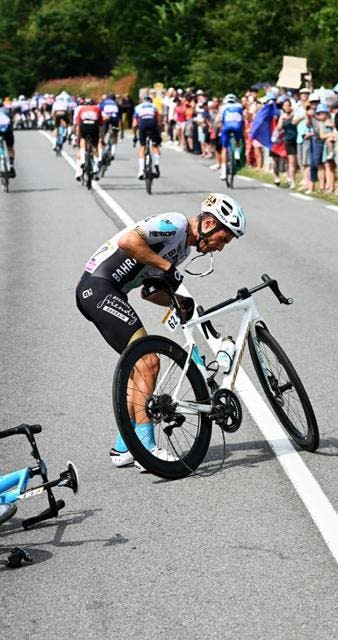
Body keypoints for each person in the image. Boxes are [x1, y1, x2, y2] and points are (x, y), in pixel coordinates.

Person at [75, 192, 246, 467]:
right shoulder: (175, 224)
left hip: (108, 292)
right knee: (148, 362)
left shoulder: (184, 250)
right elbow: (128, 241)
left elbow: (149, 291)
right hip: (98, 288)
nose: (221, 247)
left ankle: (125, 446)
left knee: (139, 369)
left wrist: (179, 301)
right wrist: (166, 266)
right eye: (223, 239)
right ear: (210, 224)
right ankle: (146, 448)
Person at [133, 95, 162, 180]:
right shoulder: (154, 107)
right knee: (155, 145)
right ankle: (156, 164)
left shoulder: (138, 107)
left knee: (142, 146)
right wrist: (158, 135)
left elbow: (134, 124)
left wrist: (135, 135)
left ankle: (141, 170)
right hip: (152, 124)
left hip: (143, 124)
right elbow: (159, 122)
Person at [73, 97, 102, 181]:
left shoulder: (81, 109)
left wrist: (77, 138)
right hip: (94, 126)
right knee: (94, 147)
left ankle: (82, 161)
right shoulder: (97, 108)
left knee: (83, 140)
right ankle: (96, 168)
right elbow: (100, 123)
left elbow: (78, 124)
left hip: (84, 126)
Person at [217, 93, 244, 181]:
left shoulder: (223, 107)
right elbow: (242, 119)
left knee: (224, 148)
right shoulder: (239, 106)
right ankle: (236, 153)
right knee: (238, 139)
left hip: (227, 127)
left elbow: (221, 120)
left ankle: (224, 172)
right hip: (237, 126)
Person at [99, 93, 121, 160]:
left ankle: (102, 142)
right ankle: (113, 152)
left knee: (102, 134)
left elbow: (99, 111)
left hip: (106, 118)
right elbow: (120, 117)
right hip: (115, 118)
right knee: (114, 135)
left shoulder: (103, 102)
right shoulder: (117, 103)